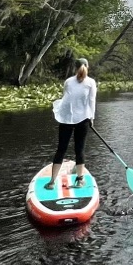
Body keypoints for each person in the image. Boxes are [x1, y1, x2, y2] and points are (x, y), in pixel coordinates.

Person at [46, 58, 97, 190]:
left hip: (66, 120)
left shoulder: (68, 81)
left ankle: (52, 182)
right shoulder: (91, 82)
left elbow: (65, 101)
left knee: (61, 149)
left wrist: (58, 113)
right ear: (87, 67)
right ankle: (80, 180)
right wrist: (91, 119)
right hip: (83, 120)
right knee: (79, 150)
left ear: (75, 68)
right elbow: (92, 102)